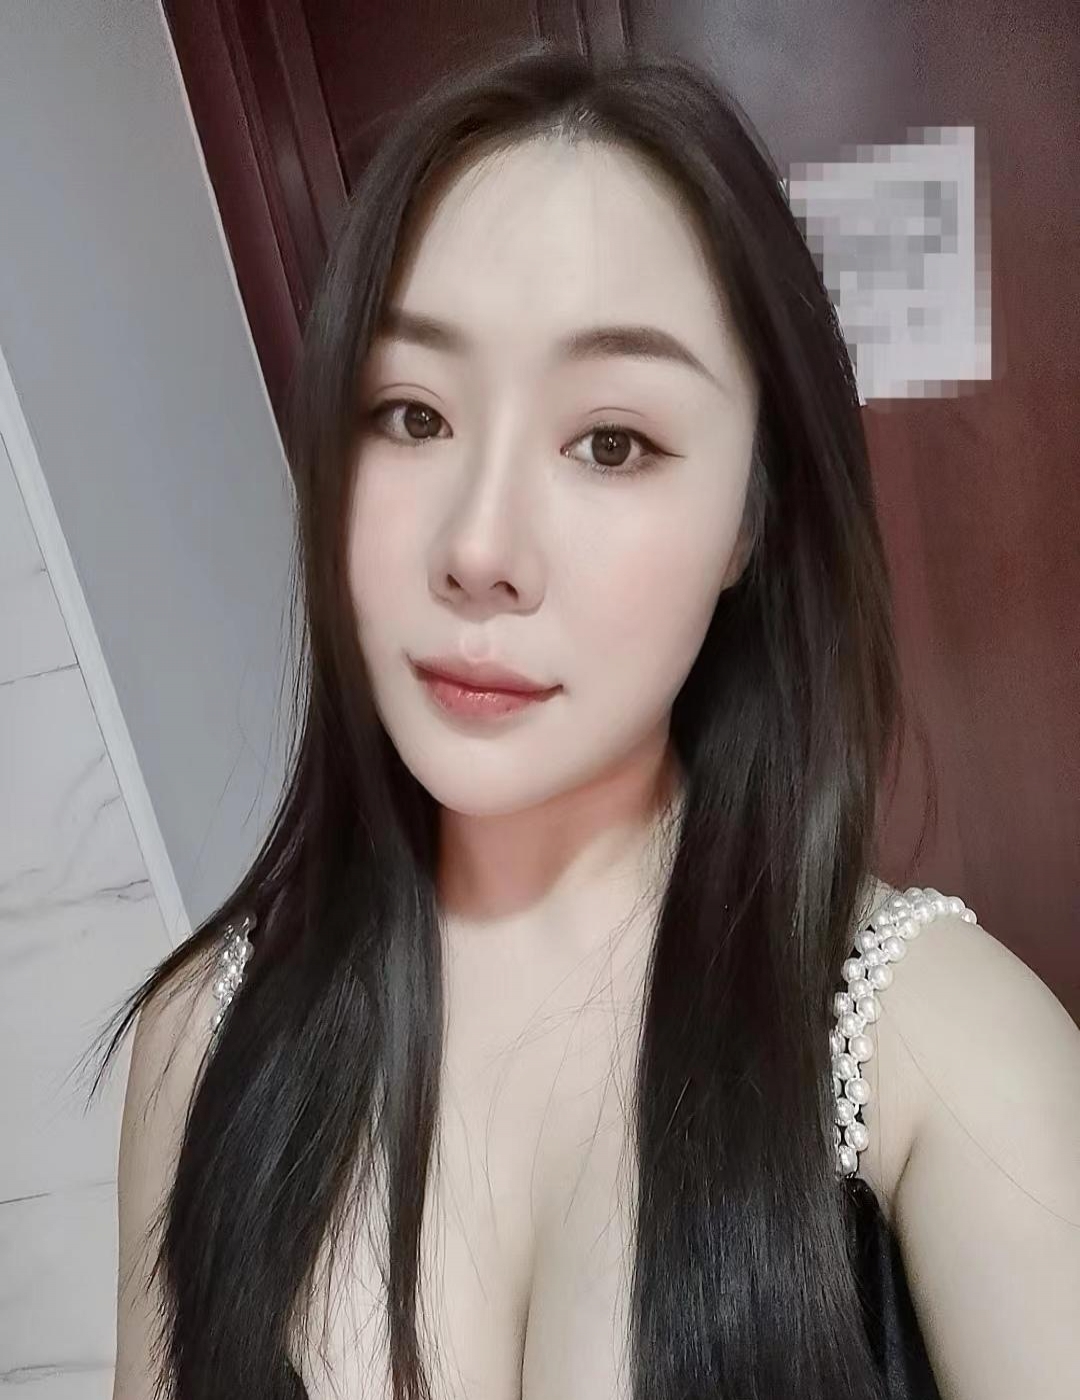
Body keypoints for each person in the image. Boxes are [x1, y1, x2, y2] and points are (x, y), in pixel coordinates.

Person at [92, 42, 1080, 1400]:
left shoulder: (936, 1050)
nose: (479, 548)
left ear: (751, 518)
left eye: (611, 442)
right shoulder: (206, 1043)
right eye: (411, 414)